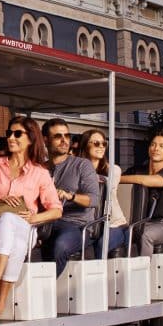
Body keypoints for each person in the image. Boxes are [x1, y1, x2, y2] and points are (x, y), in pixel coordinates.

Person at [0, 115, 62, 316]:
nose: (11, 138)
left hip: (26, 226)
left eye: (17, 134)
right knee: (8, 225)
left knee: (12, 224)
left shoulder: (40, 172)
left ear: (31, 139)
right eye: (9, 133)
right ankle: (1, 297)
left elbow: (56, 209)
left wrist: (33, 218)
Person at [41, 118, 100, 276]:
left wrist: (70, 196)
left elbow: (94, 200)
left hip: (77, 224)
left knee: (61, 246)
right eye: (58, 136)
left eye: (67, 136)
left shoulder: (82, 165)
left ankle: (49, 289)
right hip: (45, 221)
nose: (64, 140)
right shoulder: (41, 168)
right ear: (45, 140)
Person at [121, 130, 163, 257]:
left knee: (144, 234)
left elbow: (146, 180)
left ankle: (144, 272)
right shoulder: (136, 170)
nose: (156, 148)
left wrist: (116, 178)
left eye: (161, 146)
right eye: (153, 144)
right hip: (135, 221)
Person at [77, 129, 128, 259]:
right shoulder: (76, 170)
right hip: (89, 224)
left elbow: (100, 185)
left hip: (114, 224)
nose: (100, 146)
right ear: (85, 145)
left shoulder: (113, 170)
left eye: (103, 143)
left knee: (102, 244)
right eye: (96, 143)